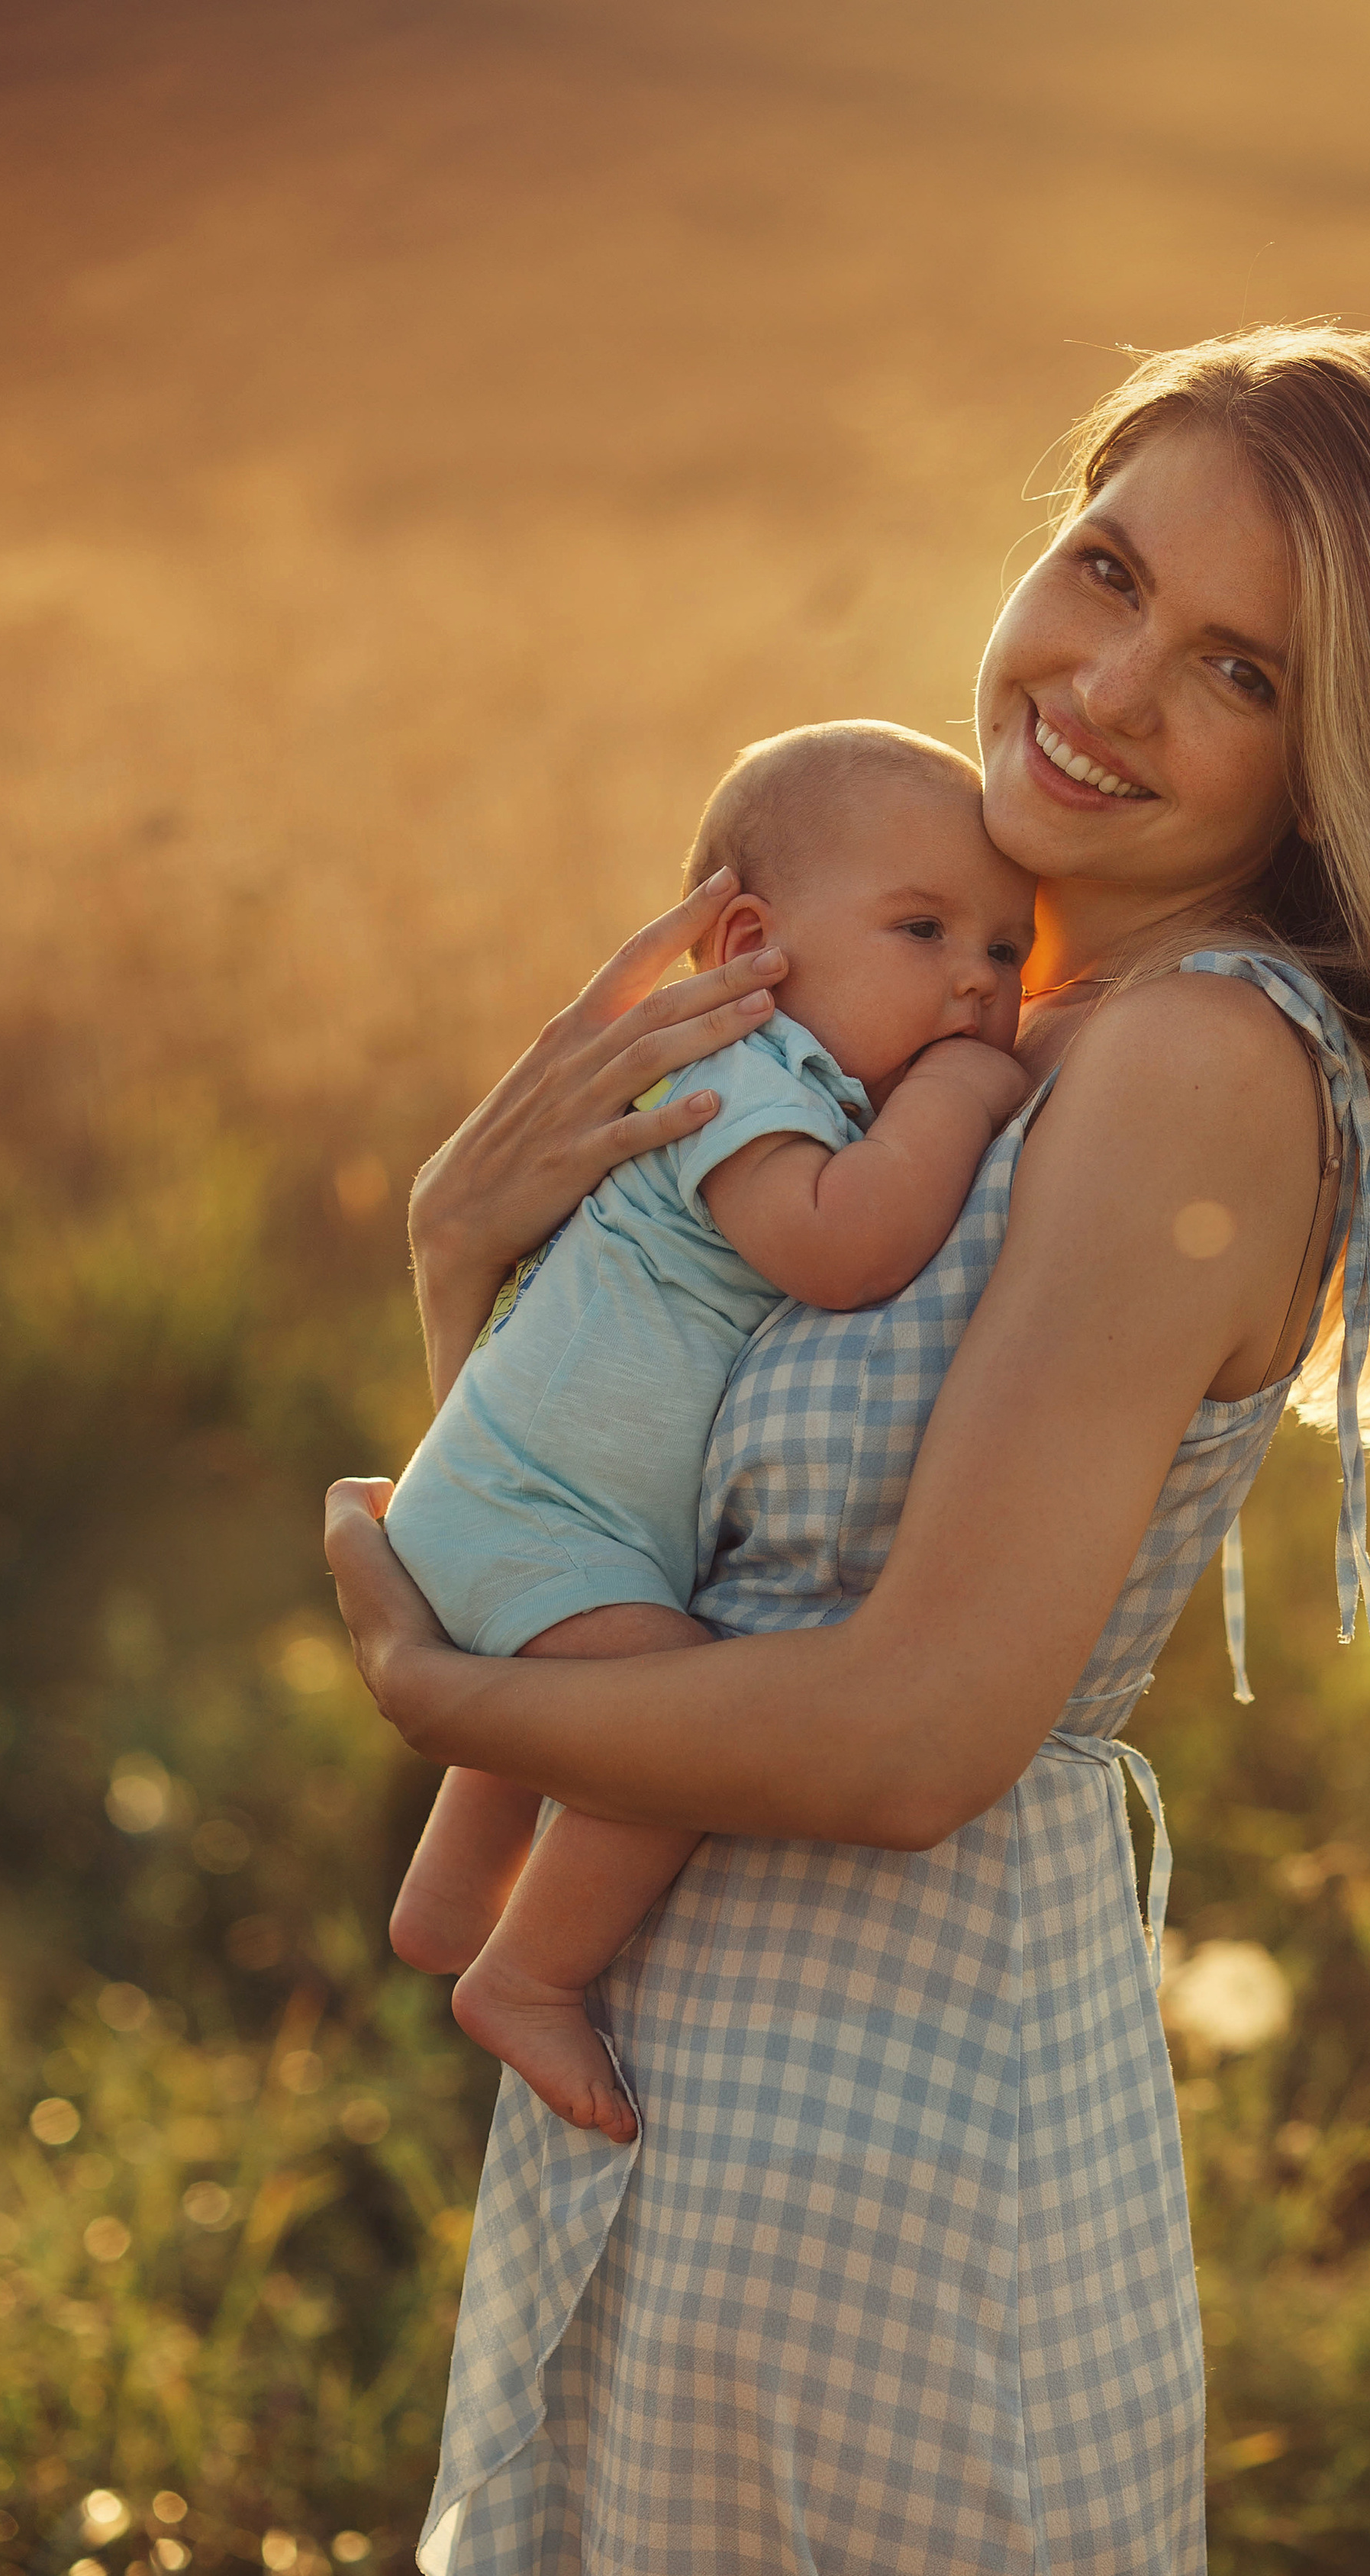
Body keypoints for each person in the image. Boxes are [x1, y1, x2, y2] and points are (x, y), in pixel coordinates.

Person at [325, 327, 1370, 2576]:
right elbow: (669, 1522)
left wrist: (427, 1694)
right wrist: (455, 1267)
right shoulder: (947, 1015)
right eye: (1109, 569)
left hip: (881, 2120)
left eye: (1242, 673)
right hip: (696, 2084)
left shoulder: (1190, 1069)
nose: (1109, 688)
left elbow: (924, 1723)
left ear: (1341, 757)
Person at [381, 722, 1033, 2142]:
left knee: (575, 1681)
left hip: (522, 1500)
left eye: (1004, 951)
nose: (978, 985)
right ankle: (528, 1977)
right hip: (538, 1509)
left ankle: (445, 1902)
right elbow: (839, 1247)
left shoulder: (800, 1088)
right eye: (923, 931)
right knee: (667, 1721)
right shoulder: (739, 1079)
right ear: (749, 943)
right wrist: (963, 1095)